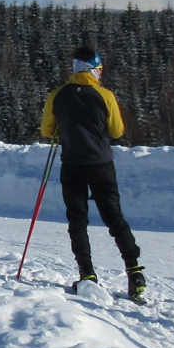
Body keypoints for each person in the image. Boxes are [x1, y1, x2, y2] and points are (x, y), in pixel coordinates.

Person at [40, 45, 146, 302]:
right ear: (94, 69)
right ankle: (134, 272)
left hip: (72, 163)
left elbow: (46, 131)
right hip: (101, 164)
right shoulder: (105, 95)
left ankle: (87, 274)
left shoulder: (58, 95)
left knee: (78, 220)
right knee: (114, 218)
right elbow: (117, 131)